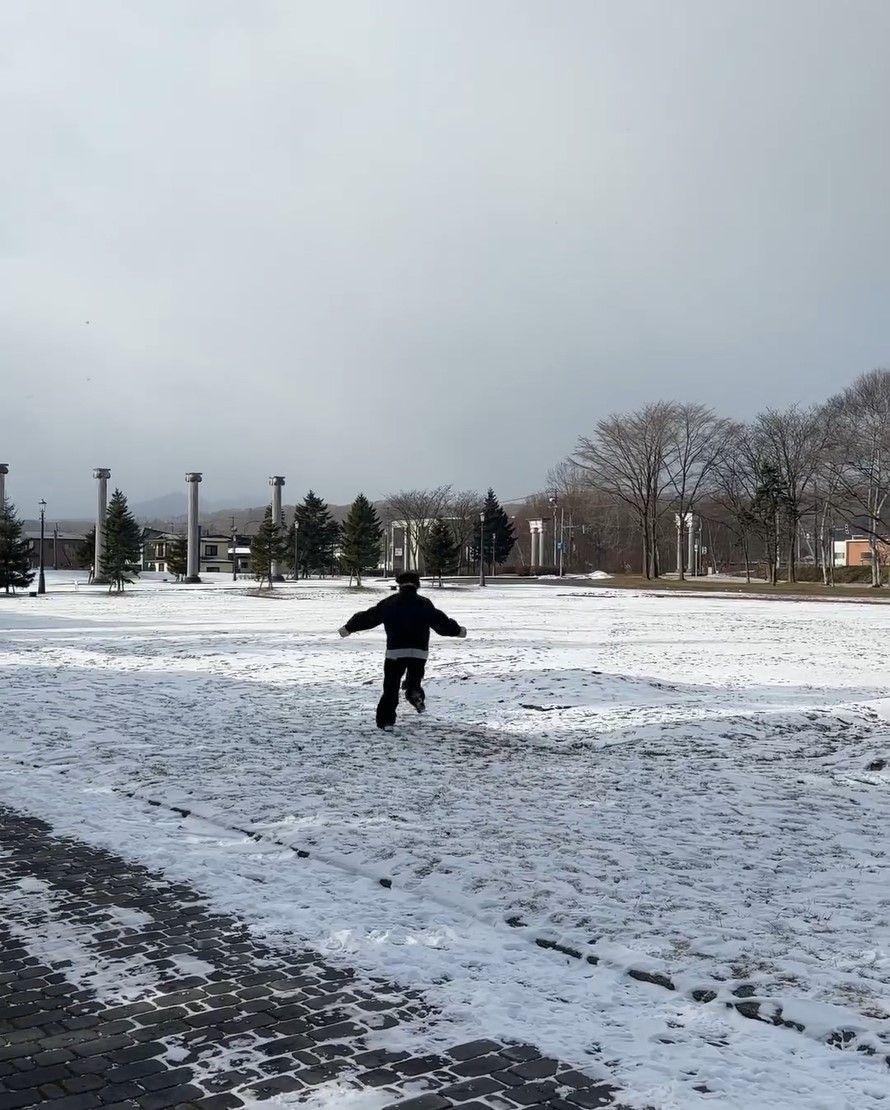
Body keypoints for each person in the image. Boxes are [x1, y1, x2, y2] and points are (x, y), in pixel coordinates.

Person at [339, 570, 467, 729]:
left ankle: (386, 721)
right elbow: (440, 621)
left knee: (391, 687)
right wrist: (457, 631)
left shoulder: (390, 603)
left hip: (395, 652)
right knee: (414, 679)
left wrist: (349, 628)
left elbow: (369, 617)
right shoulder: (424, 603)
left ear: (399, 584)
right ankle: (415, 693)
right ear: (417, 585)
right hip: (419, 653)